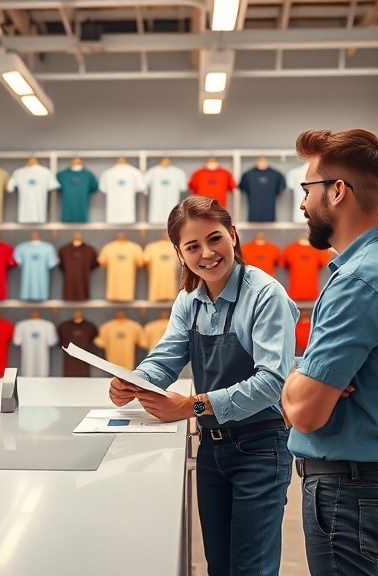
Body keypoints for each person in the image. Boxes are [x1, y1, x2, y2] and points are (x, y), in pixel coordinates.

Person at [109, 195, 298, 576]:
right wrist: (133, 381)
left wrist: (191, 405)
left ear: (232, 235)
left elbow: (271, 384)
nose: (207, 253)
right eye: (192, 246)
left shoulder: (265, 295)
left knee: (251, 569)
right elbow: (166, 357)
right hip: (213, 450)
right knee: (220, 567)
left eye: (215, 239)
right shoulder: (188, 301)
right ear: (180, 253)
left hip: (261, 449)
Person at [280, 128, 378, 576]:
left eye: (307, 189)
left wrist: (294, 377)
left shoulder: (359, 283)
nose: (303, 204)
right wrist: (308, 378)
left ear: (337, 191)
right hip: (369, 483)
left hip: (348, 488)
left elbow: (305, 412)